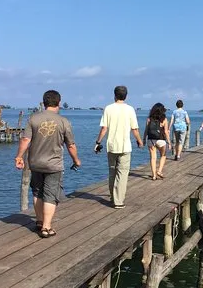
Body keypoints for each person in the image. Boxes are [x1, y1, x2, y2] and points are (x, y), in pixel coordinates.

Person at [15, 90, 80, 238]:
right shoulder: (63, 121)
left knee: (37, 192)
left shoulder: (33, 118)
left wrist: (19, 156)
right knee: (51, 195)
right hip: (53, 165)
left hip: (35, 163)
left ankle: (39, 221)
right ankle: (46, 227)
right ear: (59, 103)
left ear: (44, 102)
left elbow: (25, 140)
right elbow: (70, 145)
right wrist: (76, 160)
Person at [95, 85, 144, 209]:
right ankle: (118, 201)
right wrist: (139, 141)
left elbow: (104, 128)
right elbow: (134, 129)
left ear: (115, 95)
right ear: (126, 96)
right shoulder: (130, 109)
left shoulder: (108, 108)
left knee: (112, 172)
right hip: (125, 147)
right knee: (122, 174)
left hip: (111, 146)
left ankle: (113, 197)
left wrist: (98, 142)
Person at [144, 102, 171, 180]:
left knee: (153, 158)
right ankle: (159, 171)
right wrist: (169, 142)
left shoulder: (149, 119)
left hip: (151, 140)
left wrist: (144, 139)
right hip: (161, 140)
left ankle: (154, 175)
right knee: (163, 155)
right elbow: (166, 132)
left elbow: (146, 130)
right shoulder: (164, 119)